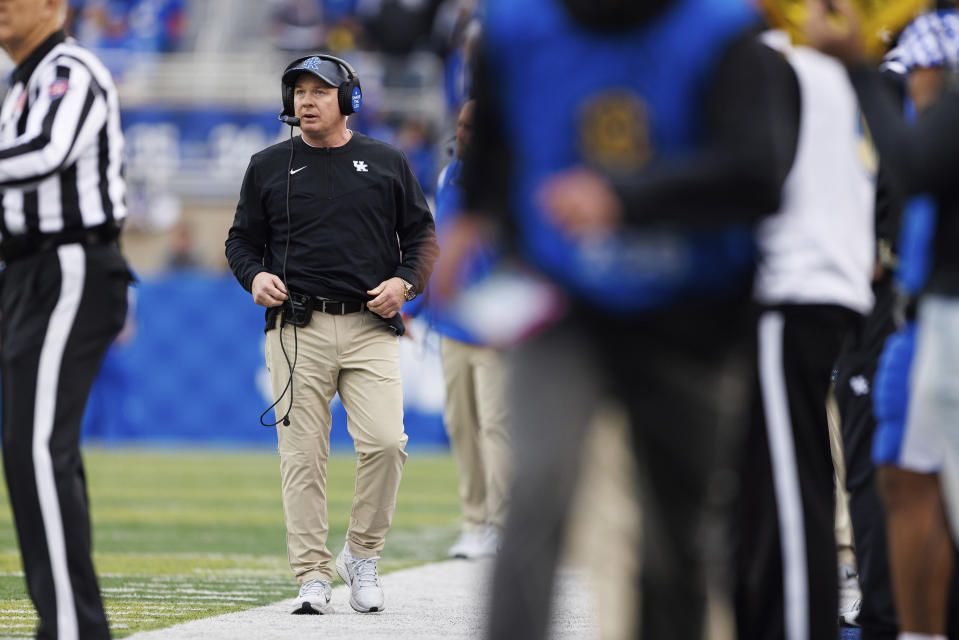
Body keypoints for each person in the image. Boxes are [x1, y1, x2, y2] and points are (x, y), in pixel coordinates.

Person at [433, 1, 799, 638]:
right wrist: (472, 219)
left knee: (675, 533)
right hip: (562, 297)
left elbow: (759, 174)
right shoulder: (513, 29)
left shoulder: (725, 32)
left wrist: (625, 200)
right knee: (538, 490)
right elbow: (492, 140)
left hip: (691, 308)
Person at [225, 53, 438, 615]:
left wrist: (405, 283)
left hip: (372, 325)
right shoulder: (268, 165)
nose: (306, 101)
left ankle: (361, 556)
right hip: (298, 328)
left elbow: (422, 239)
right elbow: (240, 241)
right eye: (298, 91)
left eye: (320, 91)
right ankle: (312, 575)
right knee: (302, 458)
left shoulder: (387, 161)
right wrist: (255, 275)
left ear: (349, 100)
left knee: (388, 444)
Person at [808, 3, 959, 640]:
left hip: (931, 301)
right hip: (918, 301)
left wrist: (863, 73)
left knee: (905, 470)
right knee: (900, 473)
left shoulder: (920, 54)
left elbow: (914, 165)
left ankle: (893, 617)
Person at [0, 0, 132, 638]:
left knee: (36, 448)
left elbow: (46, 153)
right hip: (29, 272)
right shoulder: (18, 85)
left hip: (71, 265)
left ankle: (71, 631)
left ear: (54, 6)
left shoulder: (70, 70)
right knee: (33, 450)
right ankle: (74, 625)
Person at [404, 100, 510, 560]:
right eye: (461, 126)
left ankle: (504, 525)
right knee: (461, 425)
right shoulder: (449, 178)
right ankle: (475, 521)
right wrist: (415, 307)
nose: (463, 134)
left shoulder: (512, 179)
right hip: (451, 325)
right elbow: (439, 248)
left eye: (472, 126)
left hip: (495, 326)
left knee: (497, 425)